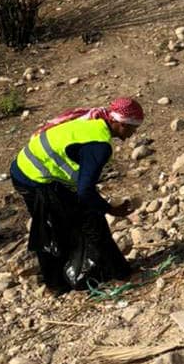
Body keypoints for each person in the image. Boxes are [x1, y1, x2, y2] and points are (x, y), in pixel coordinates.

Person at [10, 96, 144, 292]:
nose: (133, 133)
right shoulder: (100, 146)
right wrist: (110, 209)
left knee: (52, 226)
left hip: (24, 169)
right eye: (132, 127)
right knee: (90, 222)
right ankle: (120, 274)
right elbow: (85, 191)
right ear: (119, 123)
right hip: (35, 180)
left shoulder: (92, 122)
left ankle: (56, 284)